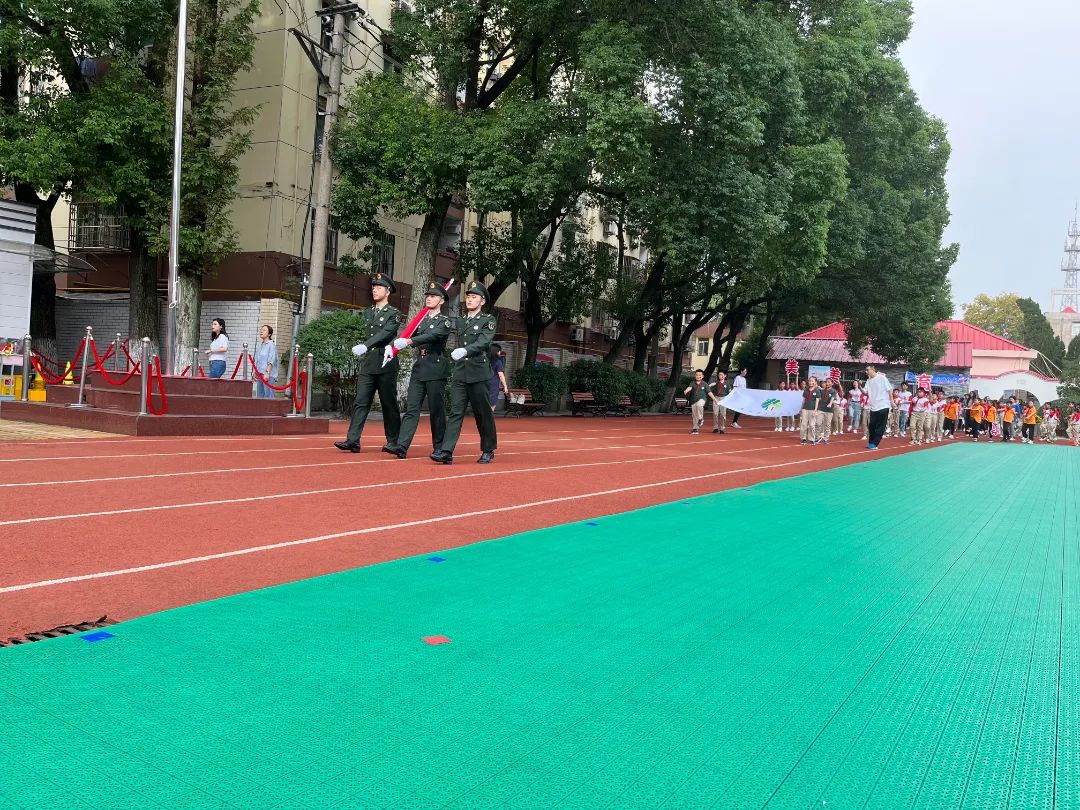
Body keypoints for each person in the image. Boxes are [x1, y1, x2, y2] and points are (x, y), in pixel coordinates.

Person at [432, 280, 498, 465]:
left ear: (482, 301)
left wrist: (466, 351)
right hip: (461, 372)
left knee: (482, 413)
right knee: (455, 412)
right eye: (468, 296)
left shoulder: (488, 320)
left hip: (478, 371)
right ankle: (446, 451)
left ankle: (488, 449)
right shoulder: (461, 320)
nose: (469, 300)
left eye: (474, 297)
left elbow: (485, 342)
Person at [334, 273, 402, 454]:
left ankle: (394, 441)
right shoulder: (368, 312)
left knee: (388, 403)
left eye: (379, 287)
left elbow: (386, 334)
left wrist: (365, 345)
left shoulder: (394, 314)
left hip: (385, 363)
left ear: (388, 291)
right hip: (369, 363)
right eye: (373, 287)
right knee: (361, 401)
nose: (374, 289)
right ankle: (353, 440)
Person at [384, 282, 452, 459]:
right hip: (420, 367)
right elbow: (409, 334)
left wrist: (409, 342)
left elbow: (433, 336)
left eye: (433, 296)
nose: (429, 298)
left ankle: (439, 448)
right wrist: (393, 346)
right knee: (411, 408)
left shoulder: (444, 321)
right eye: (428, 296)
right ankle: (402, 445)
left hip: (436, 367)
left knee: (436, 410)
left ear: (442, 300)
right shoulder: (421, 320)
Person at [864, 364, 892, 450]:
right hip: (873, 406)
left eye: (867, 370)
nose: (866, 372)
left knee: (880, 426)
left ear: (873, 369)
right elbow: (865, 392)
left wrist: (892, 401)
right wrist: (860, 387)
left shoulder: (882, 378)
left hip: (883, 405)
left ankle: (875, 443)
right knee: (871, 425)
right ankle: (871, 442)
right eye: (866, 370)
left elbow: (889, 389)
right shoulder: (868, 380)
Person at [253, 324, 279, 398]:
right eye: (261, 330)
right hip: (260, 374)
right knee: (260, 396)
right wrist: (255, 372)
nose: (261, 331)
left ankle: (271, 410)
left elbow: (272, 359)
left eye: (264, 330)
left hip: (268, 375)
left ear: (269, 334)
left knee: (268, 396)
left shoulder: (271, 345)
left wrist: (267, 373)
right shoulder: (260, 345)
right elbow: (257, 360)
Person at [684, 370, 710, 434]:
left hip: (702, 399)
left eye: (699, 375)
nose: (698, 376)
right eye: (697, 375)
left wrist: (715, 399)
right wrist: (686, 390)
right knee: (694, 416)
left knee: (699, 405)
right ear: (695, 376)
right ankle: (695, 429)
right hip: (693, 400)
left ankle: (701, 418)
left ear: (702, 376)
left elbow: (709, 392)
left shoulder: (705, 384)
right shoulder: (692, 383)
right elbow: (689, 388)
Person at [800, 376, 822, 445]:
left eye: (812, 381)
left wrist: (815, 410)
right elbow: (803, 400)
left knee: (812, 425)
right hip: (805, 409)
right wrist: (801, 408)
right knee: (803, 424)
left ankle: (812, 439)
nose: (810, 382)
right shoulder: (806, 390)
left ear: (815, 382)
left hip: (812, 410)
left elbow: (817, 401)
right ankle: (803, 438)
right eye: (809, 381)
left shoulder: (817, 391)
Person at [488, 343, 510, 411]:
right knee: (492, 405)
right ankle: (489, 420)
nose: (500, 353)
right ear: (496, 352)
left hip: (483, 384)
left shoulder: (485, 361)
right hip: (493, 385)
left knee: (484, 404)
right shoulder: (498, 362)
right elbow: (501, 375)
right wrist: (505, 386)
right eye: (499, 351)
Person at [815, 378, 836, 444]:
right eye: (826, 382)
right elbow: (819, 397)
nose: (827, 383)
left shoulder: (833, 391)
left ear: (832, 383)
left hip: (829, 411)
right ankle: (817, 437)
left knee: (827, 425)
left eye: (829, 382)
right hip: (821, 409)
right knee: (818, 423)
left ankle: (826, 438)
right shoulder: (822, 390)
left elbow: (832, 398)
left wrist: (830, 403)